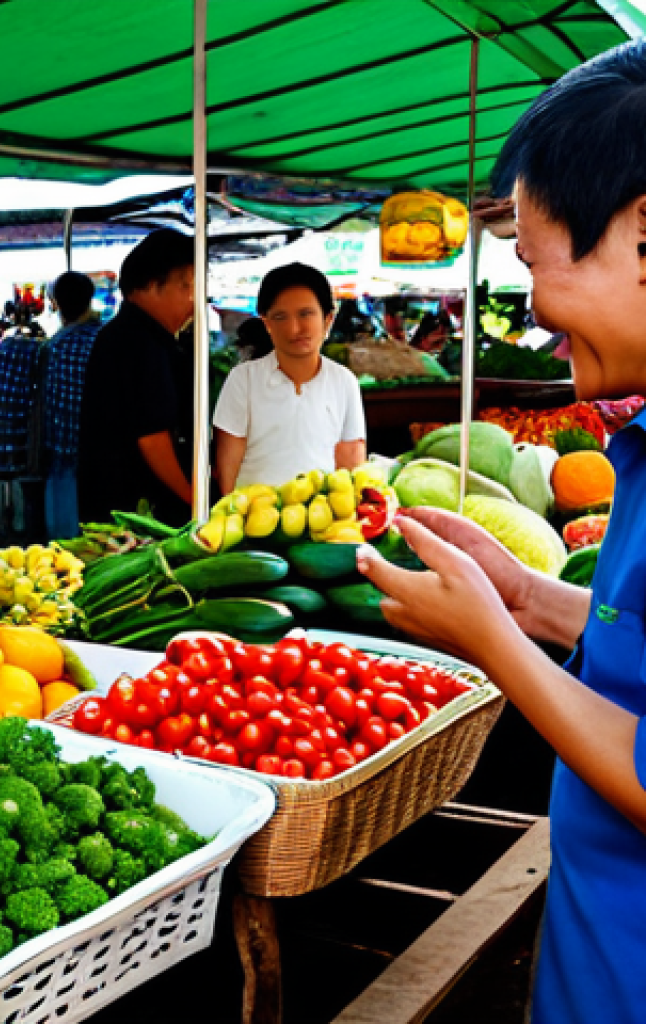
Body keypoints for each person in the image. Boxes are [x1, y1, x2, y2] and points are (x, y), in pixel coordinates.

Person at [356, 39, 646, 1024]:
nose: (529, 303)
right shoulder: (640, 442)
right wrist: (531, 599)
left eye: (532, 258)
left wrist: (494, 642)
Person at [213, 263, 366, 494]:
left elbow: (351, 460)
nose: (295, 328)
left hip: (321, 520)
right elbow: (228, 462)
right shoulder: (243, 379)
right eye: (281, 317)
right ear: (267, 324)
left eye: (306, 314)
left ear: (328, 319)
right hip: (254, 517)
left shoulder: (344, 382)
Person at [79, 229, 195, 526]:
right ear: (152, 286)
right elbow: (152, 437)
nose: (193, 301)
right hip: (137, 511)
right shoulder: (141, 342)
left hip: (118, 503)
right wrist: (194, 498)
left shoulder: (128, 335)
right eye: (185, 286)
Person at [42, 271, 100, 539]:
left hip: (63, 449)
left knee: (65, 538)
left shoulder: (56, 346)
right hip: (100, 448)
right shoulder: (104, 337)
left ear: (56, 303)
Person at [0, 322, 46, 541]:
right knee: (20, 472)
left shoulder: (2, 349)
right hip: (21, 421)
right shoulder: (37, 351)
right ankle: (19, 525)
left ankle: (3, 524)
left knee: (0, 473)